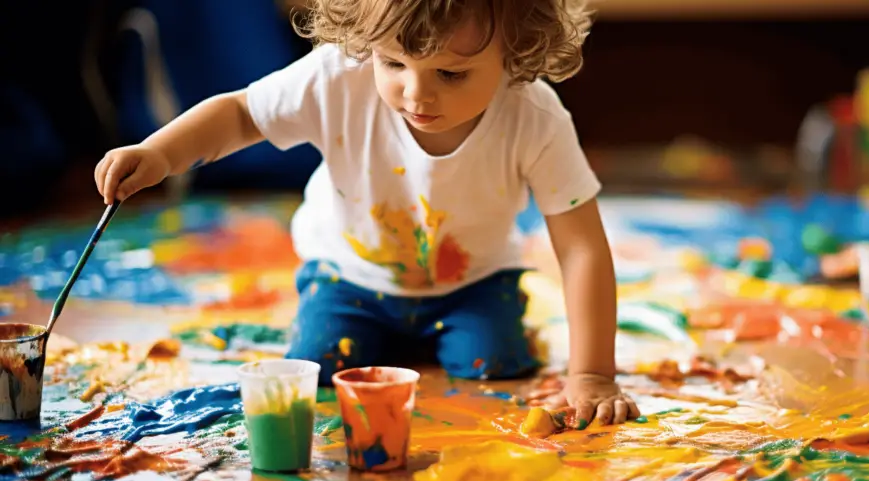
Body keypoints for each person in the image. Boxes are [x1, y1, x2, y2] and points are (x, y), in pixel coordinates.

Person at [93, 0, 640, 427]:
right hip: (347, 279)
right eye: (394, 63)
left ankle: (442, 335)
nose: (416, 93)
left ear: (516, 52)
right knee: (321, 367)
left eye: (451, 74)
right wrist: (160, 153)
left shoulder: (535, 115)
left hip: (474, 284)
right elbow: (241, 113)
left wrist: (592, 374)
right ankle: (391, 334)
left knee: (494, 366)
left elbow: (582, 246)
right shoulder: (337, 76)